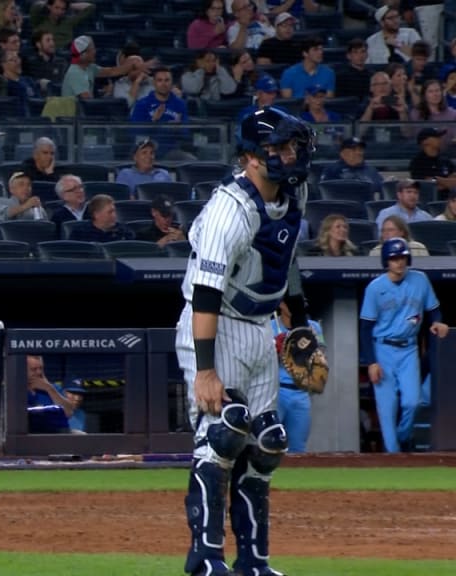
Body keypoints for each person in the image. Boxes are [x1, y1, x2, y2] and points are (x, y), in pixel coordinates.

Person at [175, 106, 315, 576]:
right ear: (252, 157)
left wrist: (300, 326)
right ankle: (206, 561)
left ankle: (253, 562)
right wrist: (206, 370)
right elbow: (205, 294)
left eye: (293, 145)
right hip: (217, 324)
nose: (291, 155)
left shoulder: (295, 193)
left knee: (267, 444)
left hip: (261, 327)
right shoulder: (227, 211)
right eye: (280, 147)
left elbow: (285, 260)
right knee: (222, 436)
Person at [360, 238, 449, 453]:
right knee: (387, 410)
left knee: (413, 402)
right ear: (386, 261)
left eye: (402, 257)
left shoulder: (420, 280)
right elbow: (365, 327)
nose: (399, 262)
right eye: (394, 258)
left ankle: (404, 437)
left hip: (409, 349)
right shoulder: (375, 288)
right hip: (383, 350)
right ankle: (393, 457)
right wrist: (371, 362)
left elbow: (433, 310)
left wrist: (437, 321)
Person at [270, 300, 323, 453]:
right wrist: (273, 349)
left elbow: (320, 358)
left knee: (298, 447)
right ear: (281, 304)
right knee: (271, 443)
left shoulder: (313, 327)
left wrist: (308, 345)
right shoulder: (270, 327)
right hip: (276, 391)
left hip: (301, 392)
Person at [319, 137, 383, 193]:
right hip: (340, 205)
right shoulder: (332, 170)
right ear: (343, 153)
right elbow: (325, 191)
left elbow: (380, 187)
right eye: (354, 150)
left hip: (364, 205)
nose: (358, 153)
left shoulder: (370, 170)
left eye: (360, 150)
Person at [408, 127, 456, 197]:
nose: (441, 138)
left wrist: (437, 179)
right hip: (429, 203)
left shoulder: (445, 159)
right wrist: (448, 181)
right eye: (437, 137)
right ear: (425, 141)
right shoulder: (417, 162)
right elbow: (427, 186)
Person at [28, 0, 94, 49]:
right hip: (43, 56)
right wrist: (48, 2)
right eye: (56, 8)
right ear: (49, 7)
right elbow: (35, 6)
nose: (59, 12)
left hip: (66, 56)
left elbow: (90, 7)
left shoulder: (69, 22)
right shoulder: (39, 21)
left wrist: (69, 5)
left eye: (63, 9)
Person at [68, 194, 134, 242]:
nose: (114, 215)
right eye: (110, 212)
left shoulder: (124, 232)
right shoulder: (80, 233)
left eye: (114, 211)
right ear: (96, 214)